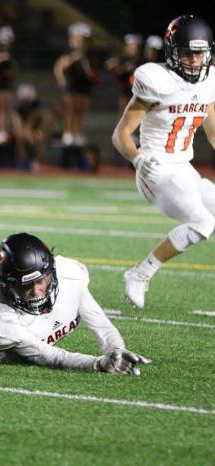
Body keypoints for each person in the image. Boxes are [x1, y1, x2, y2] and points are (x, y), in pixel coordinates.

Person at [0, 233, 151, 375]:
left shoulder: (69, 274)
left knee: (11, 280)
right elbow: (52, 357)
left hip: (14, 309)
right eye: (26, 287)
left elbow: (100, 324)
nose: (37, 292)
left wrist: (116, 349)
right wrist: (96, 363)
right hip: (5, 338)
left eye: (42, 281)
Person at [112, 15, 215, 309]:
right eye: (187, 53)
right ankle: (140, 274)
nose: (194, 60)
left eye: (199, 53)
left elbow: (213, 132)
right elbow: (120, 134)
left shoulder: (210, 81)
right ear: (172, 52)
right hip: (154, 167)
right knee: (203, 222)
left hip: (183, 167)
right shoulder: (156, 80)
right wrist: (136, 158)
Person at [53, 22, 97, 147]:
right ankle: (68, 134)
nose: (83, 43)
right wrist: (61, 80)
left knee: (80, 111)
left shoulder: (87, 55)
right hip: (72, 84)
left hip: (84, 85)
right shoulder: (69, 51)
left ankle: (78, 134)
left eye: (85, 40)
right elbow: (59, 66)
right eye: (81, 39)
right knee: (70, 110)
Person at [105, 33, 143, 112]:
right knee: (124, 112)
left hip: (138, 92)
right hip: (125, 90)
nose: (134, 49)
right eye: (132, 46)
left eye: (136, 46)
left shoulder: (140, 59)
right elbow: (109, 65)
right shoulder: (122, 58)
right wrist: (121, 69)